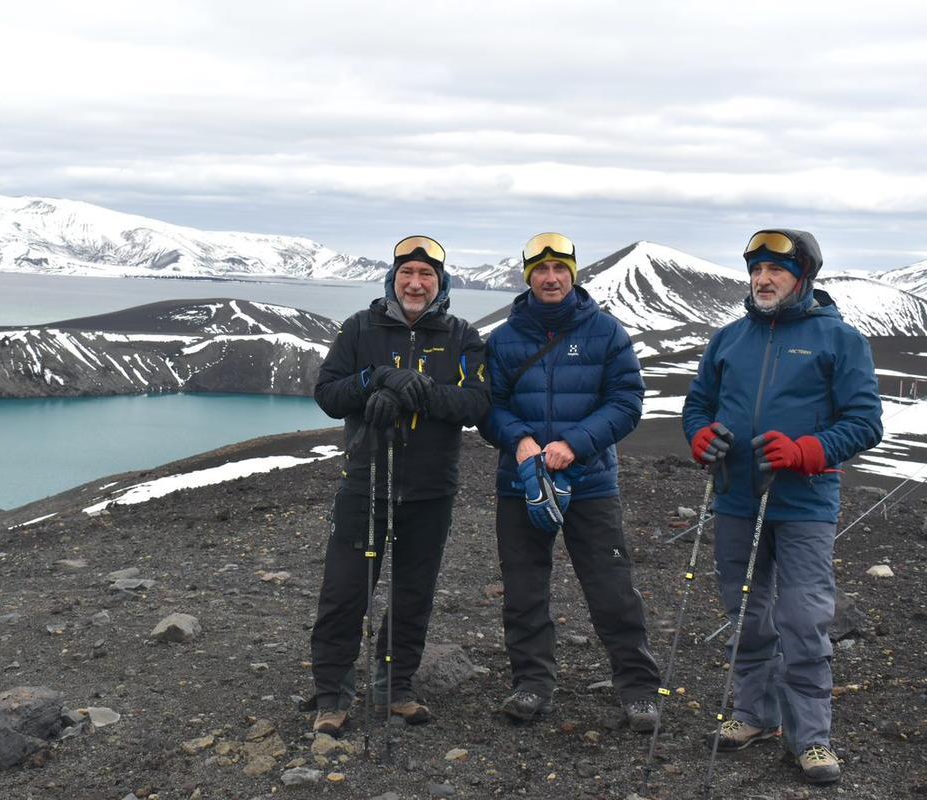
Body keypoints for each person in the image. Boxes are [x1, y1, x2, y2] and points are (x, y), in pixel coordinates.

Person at [683, 229, 882, 784]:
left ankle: (811, 737)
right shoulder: (729, 338)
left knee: (802, 618)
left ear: (803, 277)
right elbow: (699, 403)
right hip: (735, 497)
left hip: (805, 501)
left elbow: (866, 421)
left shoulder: (840, 340)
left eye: (776, 270)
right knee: (745, 612)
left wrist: (809, 450)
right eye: (756, 270)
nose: (763, 280)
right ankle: (753, 713)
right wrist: (698, 435)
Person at [309, 234, 490, 734]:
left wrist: (421, 392)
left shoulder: (461, 336)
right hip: (365, 482)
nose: (415, 284)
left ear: (440, 284)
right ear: (393, 279)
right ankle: (332, 695)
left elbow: (476, 403)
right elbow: (327, 393)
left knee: (413, 593)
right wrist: (374, 382)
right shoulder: (360, 328)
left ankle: (397, 687)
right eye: (407, 274)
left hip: (431, 489)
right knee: (345, 591)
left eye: (426, 276)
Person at [481, 232, 661, 732]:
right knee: (524, 589)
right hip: (521, 482)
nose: (551, 277)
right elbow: (489, 407)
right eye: (541, 270)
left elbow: (626, 403)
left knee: (611, 588)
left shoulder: (606, 332)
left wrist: (575, 444)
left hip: (590, 481)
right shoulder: (504, 338)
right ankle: (532, 683)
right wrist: (519, 440)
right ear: (528, 276)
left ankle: (639, 688)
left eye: (560, 268)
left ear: (573, 274)